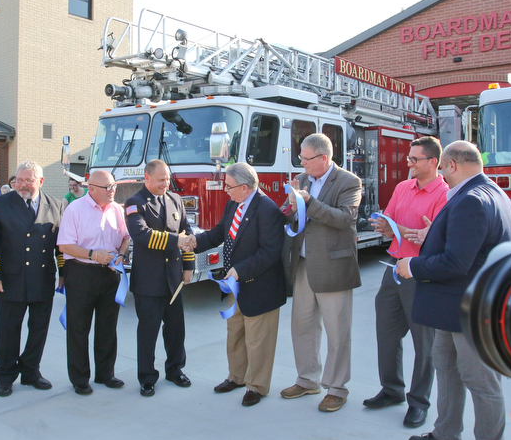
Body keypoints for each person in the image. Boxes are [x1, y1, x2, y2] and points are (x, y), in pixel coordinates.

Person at [395, 141, 511, 440]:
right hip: (453, 306)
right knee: (446, 367)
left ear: (450, 165)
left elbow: (456, 262)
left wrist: (414, 266)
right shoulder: (492, 192)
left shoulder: (470, 200)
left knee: (480, 381)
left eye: (443, 170)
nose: (442, 177)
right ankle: (445, 436)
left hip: (468, 309)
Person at [364, 136, 449, 428]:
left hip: (421, 275)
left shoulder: (444, 195)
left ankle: (419, 402)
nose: (408, 164)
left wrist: (399, 228)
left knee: (424, 344)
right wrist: (386, 227)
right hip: (393, 270)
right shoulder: (402, 187)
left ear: (433, 162)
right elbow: (390, 226)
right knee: (387, 335)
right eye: (409, 158)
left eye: (415, 159)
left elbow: (435, 241)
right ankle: (391, 390)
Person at [189, 162, 286, 407]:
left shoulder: (267, 209)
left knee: (257, 340)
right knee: (235, 335)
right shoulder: (235, 203)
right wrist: (193, 242)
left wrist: (239, 271)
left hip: (258, 285)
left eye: (229, 186)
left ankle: (257, 386)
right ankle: (237, 377)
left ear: (244, 187)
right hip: (234, 286)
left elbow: (270, 252)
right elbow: (220, 232)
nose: (225, 190)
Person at [280, 133, 362, 413]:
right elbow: (293, 214)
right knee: (302, 326)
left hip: (333, 266)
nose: (301, 163)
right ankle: (307, 379)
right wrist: (291, 206)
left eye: (305, 158)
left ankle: (337, 388)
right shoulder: (303, 181)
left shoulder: (349, 182)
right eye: (300, 157)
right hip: (303, 265)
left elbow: (344, 218)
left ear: (323, 158)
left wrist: (308, 203)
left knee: (337, 331)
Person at [0, 161, 65, 397]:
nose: (23, 185)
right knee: (8, 330)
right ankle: (5, 375)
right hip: (10, 280)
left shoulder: (56, 205)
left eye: (29, 180)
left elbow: (61, 245)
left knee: (39, 329)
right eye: (19, 179)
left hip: (42, 278)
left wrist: (63, 273)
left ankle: (31, 371)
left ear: (41, 181)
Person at [125, 159, 195, 397]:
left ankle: (175, 370)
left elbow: (187, 231)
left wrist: (189, 265)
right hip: (149, 282)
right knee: (148, 332)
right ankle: (146, 377)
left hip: (173, 279)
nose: (166, 183)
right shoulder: (135, 203)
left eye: (167, 179)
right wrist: (176, 241)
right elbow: (141, 235)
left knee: (176, 330)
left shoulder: (175, 200)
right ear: (147, 178)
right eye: (161, 180)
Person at [57, 170, 129, 395]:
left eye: (114, 186)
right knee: (79, 328)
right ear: (92, 188)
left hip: (110, 274)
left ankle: (105, 373)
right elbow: (65, 246)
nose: (113, 191)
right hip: (81, 273)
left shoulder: (117, 209)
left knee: (108, 327)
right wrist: (92, 254)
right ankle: (80, 378)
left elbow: (125, 238)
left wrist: (121, 255)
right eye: (108, 187)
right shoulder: (75, 209)